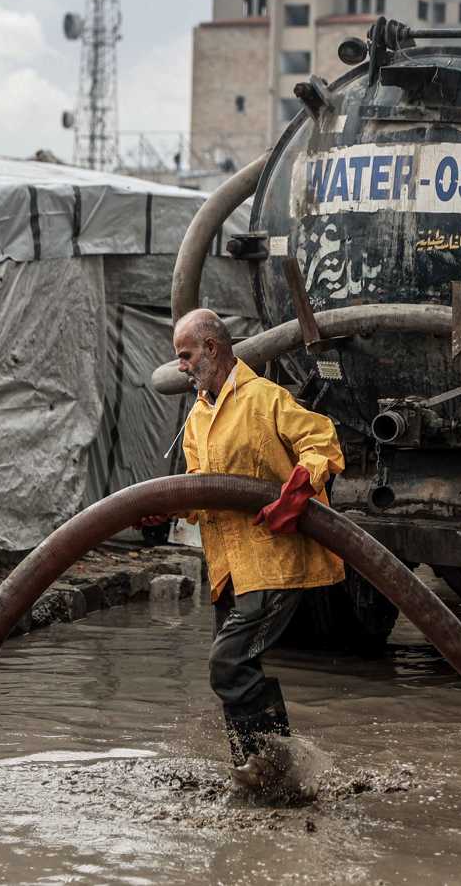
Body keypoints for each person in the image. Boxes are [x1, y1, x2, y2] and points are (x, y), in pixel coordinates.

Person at [148, 309, 345, 789]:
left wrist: (297, 491)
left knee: (228, 664)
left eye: (185, 355)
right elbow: (202, 490)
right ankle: (261, 774)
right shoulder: (198, 416)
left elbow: (322, 441)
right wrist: (164, 508)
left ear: (212, 348)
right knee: (237, 668)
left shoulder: (265, 399)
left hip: (272, 561)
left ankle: (275, 766)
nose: (181, 367)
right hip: (228, 570)